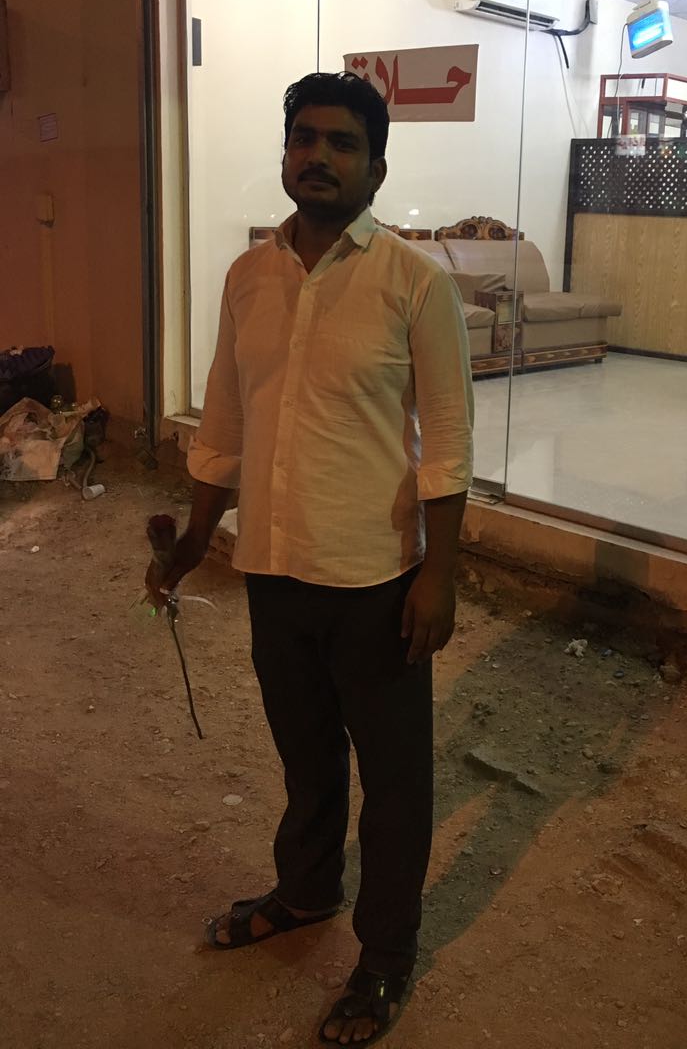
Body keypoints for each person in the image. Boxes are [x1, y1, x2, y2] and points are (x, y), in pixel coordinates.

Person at [146, 71, 474, 1045]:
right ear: (286, 151)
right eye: (304, 138)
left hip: (377, 578)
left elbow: (448, 441)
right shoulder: (249, 278)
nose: (318, 156)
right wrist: (196, 539)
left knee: (395, 781)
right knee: (304, 752)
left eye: (341, 142)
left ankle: (385, 954)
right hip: (274, 567)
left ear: (377, 167)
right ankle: (306, 891)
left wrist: (440, 573)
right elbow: (225, 421)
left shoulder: (415, 282)